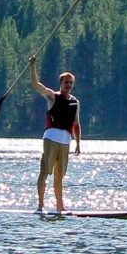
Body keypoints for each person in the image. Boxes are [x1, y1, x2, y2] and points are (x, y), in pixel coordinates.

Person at [30, 55, 81, 212]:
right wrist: (33, 66)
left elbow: (76, 124)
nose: (68, 85)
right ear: (61, 83)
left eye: (71, 83)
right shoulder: (52, 96)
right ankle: (40, 206)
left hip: (66, 141)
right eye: (66, 82)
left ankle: (60, 206)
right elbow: (36, 84)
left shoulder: (75, 102)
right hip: (51, 138)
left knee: (59, 176)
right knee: (45, 172)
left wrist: (78, 143)